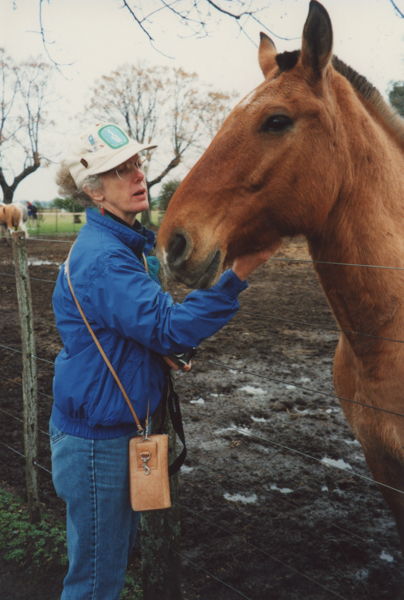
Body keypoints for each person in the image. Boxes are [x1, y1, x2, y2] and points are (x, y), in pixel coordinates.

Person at [50, 122, 280, 600]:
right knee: (95, 584)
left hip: (105, 429)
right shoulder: (107, 259)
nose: (138, 176)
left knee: (103, 570)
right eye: (119, 171)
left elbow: (123, 330)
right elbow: (170, 326)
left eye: (136, 164)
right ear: (96, 193)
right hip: (100, 445)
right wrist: (238, 273)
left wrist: (155, 351)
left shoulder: (121, 247)